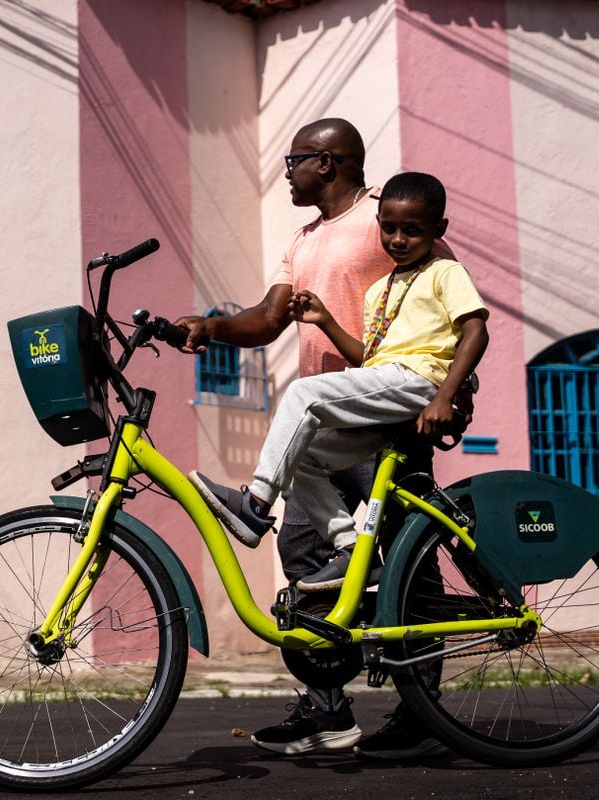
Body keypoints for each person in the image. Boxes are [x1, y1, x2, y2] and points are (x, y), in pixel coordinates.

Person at [189, 171, 488, 757]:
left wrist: (446, 395)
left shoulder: (445, 271)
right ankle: (347, 558)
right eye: (392, 230)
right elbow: (367, 357)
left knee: (410, 558)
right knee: (307, 464)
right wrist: (325, 321)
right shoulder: (373, 284)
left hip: (418, 386)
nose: (399, 238)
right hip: (374, 393)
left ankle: (253, 507)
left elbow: (474, 329)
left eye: (411, 230)